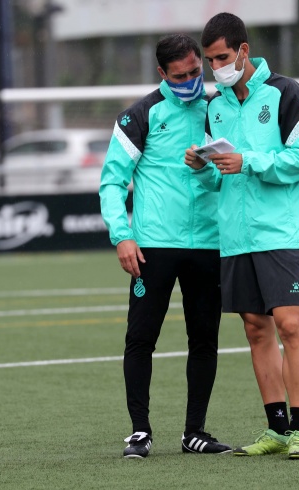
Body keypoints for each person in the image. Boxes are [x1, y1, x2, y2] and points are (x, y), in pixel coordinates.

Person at [185, 13, 299, 459]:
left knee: (290, 326)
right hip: (236, 237)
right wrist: (201, 167)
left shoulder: (286, 93)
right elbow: (216, 180)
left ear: (244, 50)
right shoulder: (214, 107)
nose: (216, 67)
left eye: (222, 57)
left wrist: (250, 161)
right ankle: (276, 429)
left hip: (281, 232)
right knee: (256, 330)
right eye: (210, 60)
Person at [99, 33, 232, 459]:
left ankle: (195, 433)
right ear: (162, 73)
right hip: (152, 247)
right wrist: (122, 235)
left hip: (208, 244)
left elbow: (225, 178)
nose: (191, 81)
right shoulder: (140, 115)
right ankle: (139, 432)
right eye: (180, 76)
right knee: (141, 339)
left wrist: (207, 170)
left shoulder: (219, 109)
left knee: (204, 340)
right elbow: (111, 182)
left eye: (196, 71)